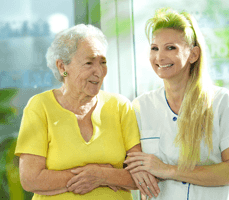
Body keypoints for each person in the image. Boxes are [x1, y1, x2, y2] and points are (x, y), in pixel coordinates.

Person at [14, 24, 159, 200]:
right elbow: (31, 179)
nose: (98, 72)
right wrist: (96, 175)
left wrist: (101, 175)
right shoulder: (40, 106)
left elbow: (142, 178)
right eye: (89, 63)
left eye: (103, 62)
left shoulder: (120, 106)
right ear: (62, 67)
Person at [124, 8, 229, 200]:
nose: (160, 57)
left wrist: (168, 170)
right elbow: (131, 166)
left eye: (171, 48)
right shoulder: (139, 108)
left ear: (193, 54)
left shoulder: (222, 102)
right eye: (154, 48)